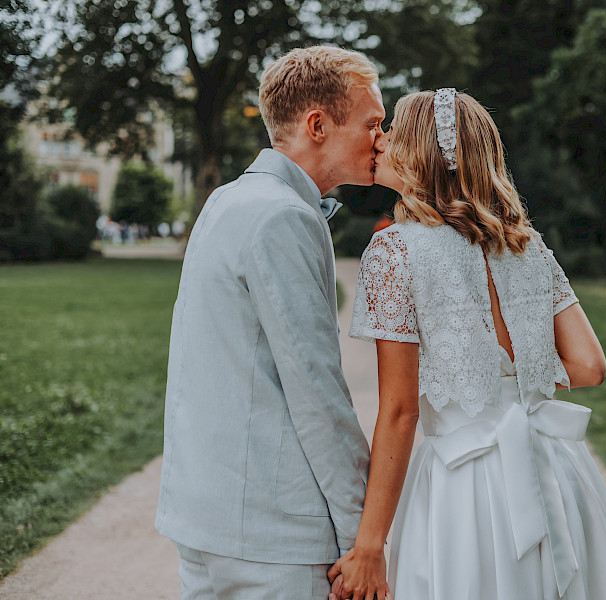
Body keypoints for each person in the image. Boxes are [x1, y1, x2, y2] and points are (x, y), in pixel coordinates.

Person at [333, 89, 606, 599]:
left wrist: (369, 547)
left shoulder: (395, 251)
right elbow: (589, 365)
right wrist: (517, 384)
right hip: (553, 471)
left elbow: (401, 412)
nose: (379, 140)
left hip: (464, 484)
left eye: (392, 132)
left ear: (420, 154)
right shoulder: (527, 245)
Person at [156, 46, 392, 600]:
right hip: (272, 535)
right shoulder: (284, 216)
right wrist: (361, 538)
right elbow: (316, 391)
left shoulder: (227, 200)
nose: (381, 140)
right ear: (318, 125)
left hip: (204, 518)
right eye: (372, 123)